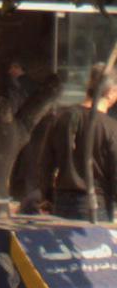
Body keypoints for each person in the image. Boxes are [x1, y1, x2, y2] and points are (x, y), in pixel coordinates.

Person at [37, 62, 117, 220]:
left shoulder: (61, 118)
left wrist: (47, 195)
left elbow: (45, 163)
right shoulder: (111, 128)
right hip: (96, 205)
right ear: (111, 92)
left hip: (62, 202)